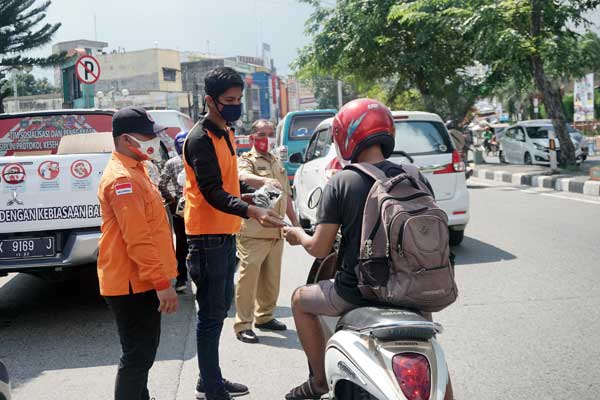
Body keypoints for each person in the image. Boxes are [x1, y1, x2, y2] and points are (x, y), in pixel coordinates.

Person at [282, 99, 453, 400]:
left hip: (357, 292)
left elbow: (321, 248)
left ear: (345, 136)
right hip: (415, 292)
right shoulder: (413, 175)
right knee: (433, 350)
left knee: (299, 300)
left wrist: (298, 235)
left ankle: (319, 382)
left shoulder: (342, 181)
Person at [182, 67, 284, 400]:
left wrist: (255, 196)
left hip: (225, 233)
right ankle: (210, 387)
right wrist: (253, 210)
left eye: (239, 99)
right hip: (206, 238)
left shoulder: (225, 132)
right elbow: (211, 191)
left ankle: (210, 378)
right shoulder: (200, 139)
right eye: (229, 100)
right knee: (211, 317)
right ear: (209, 100)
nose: (236, 105)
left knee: (217, 312)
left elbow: (230, 185)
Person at [97, 107, 179, 400]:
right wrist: (162, 284)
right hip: (133, 282)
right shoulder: (124, 180)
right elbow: (138, 240)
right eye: (144, 136)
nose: (151, 141)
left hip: (139, 279)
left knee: (142, 353)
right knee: (137, 356)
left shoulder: (139, 168)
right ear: (124, 139)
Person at [234, 119, 300, 344]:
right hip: (253, 231)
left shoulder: (276, 161)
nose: (267, 138)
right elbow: (242, 177)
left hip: (275, 230)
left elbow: (287, 195)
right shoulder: (246, 160)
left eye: (271, 133)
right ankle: (243, 324)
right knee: (248, 279)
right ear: (252, 138)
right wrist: (264, 179)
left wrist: (296, 223)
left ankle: (265, 316)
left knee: (271, 279)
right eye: (262, 134)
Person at [159, 131, 189, 293]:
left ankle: (181, 279)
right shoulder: (199, 159)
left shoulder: (171, 163)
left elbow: (161, 184)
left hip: (180, 208)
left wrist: (171, 200)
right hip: (200, 207)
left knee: (182, 244)